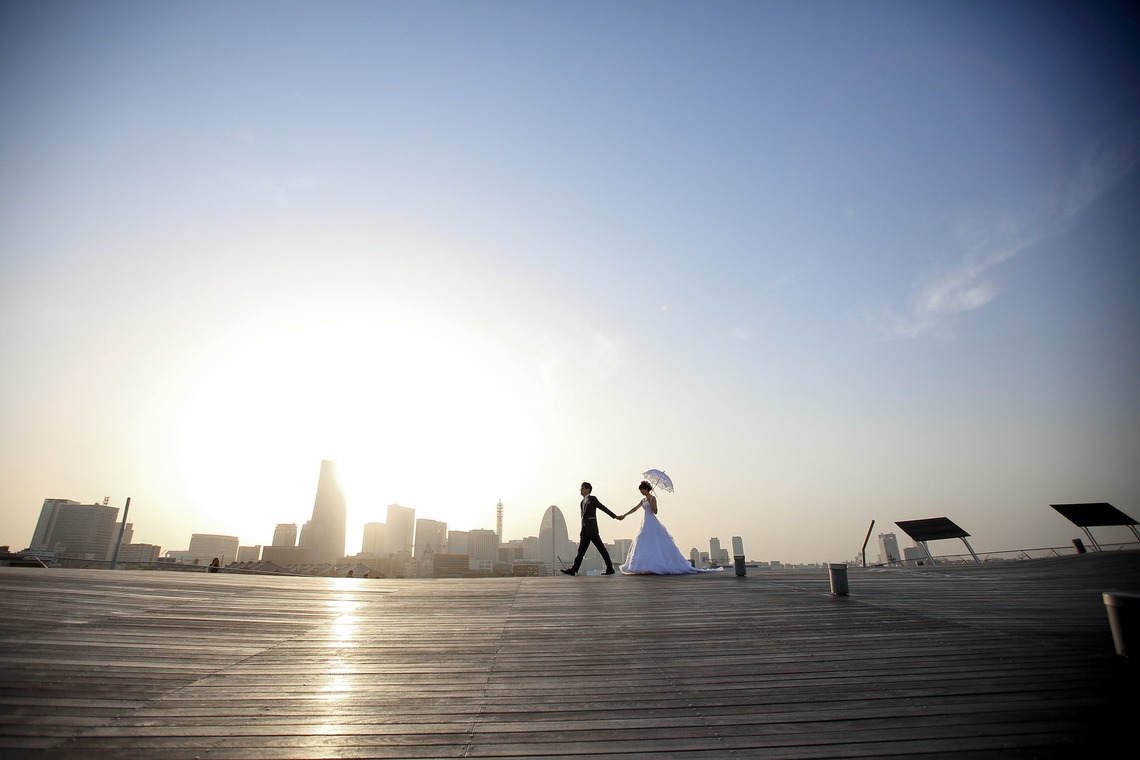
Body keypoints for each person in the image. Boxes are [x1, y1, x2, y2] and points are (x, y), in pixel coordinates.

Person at [618, 480, 698, 574]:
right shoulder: (643, 500)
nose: (641, 492)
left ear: (646, 489)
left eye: (642, 490)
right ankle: (645, 566)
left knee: (655, 542)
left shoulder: (652, 498)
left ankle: (657, 565)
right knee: (643, 542)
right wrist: (625, 515)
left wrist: (650, 501)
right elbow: (635, 509)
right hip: (645, 522)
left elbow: (655, 511)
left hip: (652, 521)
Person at [562, 481, 619, 576]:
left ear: (588, 489)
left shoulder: (592, 499)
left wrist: (615, 516)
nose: (580, 490)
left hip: (592, 529)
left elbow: (602, 507)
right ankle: (574, 569)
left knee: (601, 548)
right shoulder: (581, 502)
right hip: (584, 530)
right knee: (581, 551)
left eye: (582, 488)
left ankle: (609, 568)